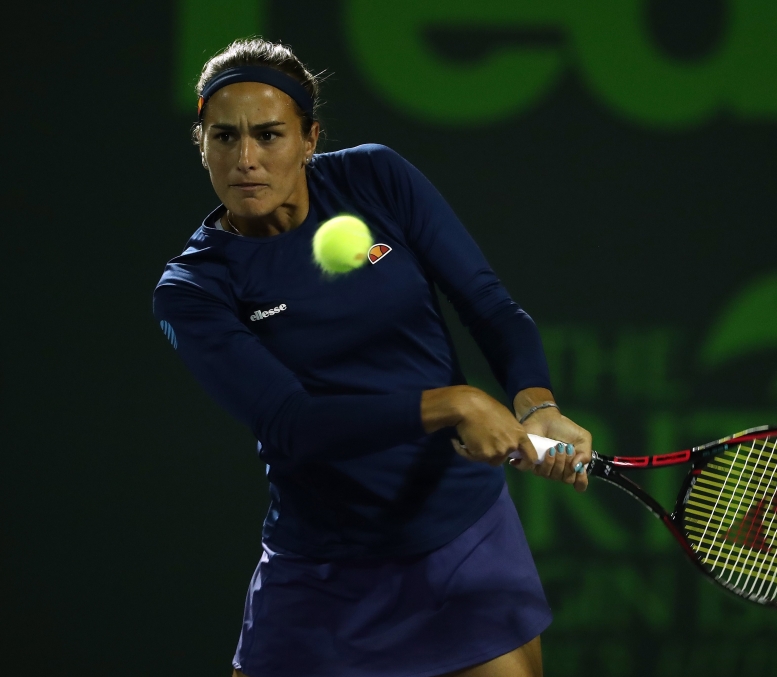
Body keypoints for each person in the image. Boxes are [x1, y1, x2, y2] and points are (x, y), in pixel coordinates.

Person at [153, 38, 593, 677]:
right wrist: (455, 404)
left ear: (310, 138)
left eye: (270, 135)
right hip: (324, 561)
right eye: (224, 137)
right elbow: (292, 426)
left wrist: (538, 403)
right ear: (202, 142)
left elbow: (488, 304)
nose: (246, 159)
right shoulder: (193, 289)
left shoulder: (375, 176)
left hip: (459, 530)